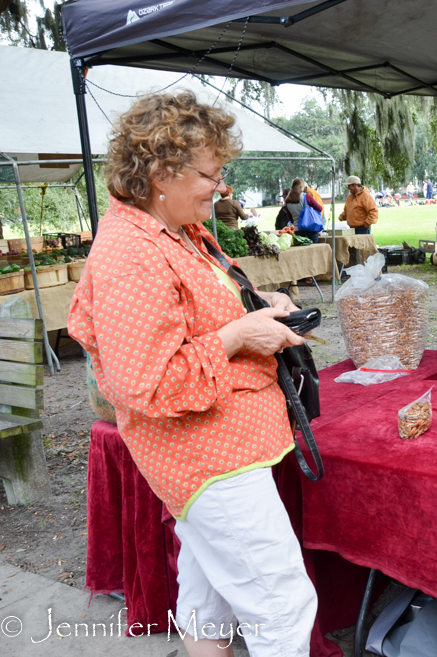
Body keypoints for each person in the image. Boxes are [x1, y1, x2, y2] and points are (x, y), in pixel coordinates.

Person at [67, 91, 317, 657]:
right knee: (282, 608)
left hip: (218, 452)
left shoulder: (173, 228)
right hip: (207, 460)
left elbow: (199, 311)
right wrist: (240, 335)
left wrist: (256, 303)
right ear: (161, 171)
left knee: (209, 600)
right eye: (212, 172)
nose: (221, 186)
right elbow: (146, 383)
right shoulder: (131, 252)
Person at [280, 178, 324, 242]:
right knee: (313, 250)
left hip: (297, 231)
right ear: (302, 187)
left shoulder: (288, 201)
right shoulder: (306, 196)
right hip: (310, 229)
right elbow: (319, 208)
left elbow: (290, 218)